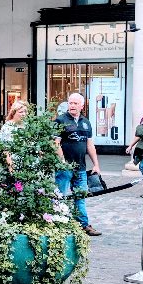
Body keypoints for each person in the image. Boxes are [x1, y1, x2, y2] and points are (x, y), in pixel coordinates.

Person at [54, 93, 102, 237]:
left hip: (80, 168)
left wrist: (96, 165)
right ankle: (57, 223)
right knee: (60, 195)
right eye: (70, 103)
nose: (72, 106)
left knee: (80, 197)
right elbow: (56, 144)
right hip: (65, 168)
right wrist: (62, 163)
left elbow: (90, 144)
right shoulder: (60, 121)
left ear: (82, 105)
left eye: (75, 103)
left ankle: (83, 225)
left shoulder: (86, 122)